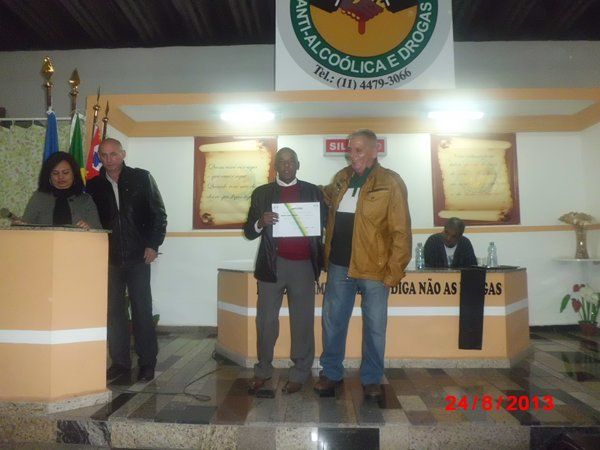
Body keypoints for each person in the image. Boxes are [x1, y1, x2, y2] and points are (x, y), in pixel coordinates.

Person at [315, 129, 411, 399]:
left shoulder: (390, 182)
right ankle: (331, 373)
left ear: (374, 150)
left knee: (375, 327)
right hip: (339, 265)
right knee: (333, 322)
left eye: (358, 150)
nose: (352, 155)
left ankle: (371, 378)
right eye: (350, 150)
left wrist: (394, 272)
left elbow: (401, 231)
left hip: (374, 268)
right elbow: (324, 196)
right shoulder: (341, 178)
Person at [243, 147, 325, 395]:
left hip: (304, 265)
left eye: (291, 162)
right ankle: (263, 370)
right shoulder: (262, 193)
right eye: (282, 161)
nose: (287, 166)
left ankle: (300, 371)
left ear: (298, 165)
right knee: (266, 320)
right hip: (272, 264)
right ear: (276, 166)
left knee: (302, 321)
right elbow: (249, 231)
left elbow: (325, 224)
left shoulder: (313, 191)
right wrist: (261, 221)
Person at [86, 138, 167, 382]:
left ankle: (147, 363)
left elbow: (159, 214)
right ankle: (120, 363)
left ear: (123, 154)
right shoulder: (93, 185)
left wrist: (153, 244)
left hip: (138, 256)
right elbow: (91, 219)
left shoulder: (141, 178)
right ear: (99, 157)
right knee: (114, 313)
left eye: (113, 154)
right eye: (104, 155)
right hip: (109, 258)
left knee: (142, 310)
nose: (108, 159)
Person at [17, 151, 100, 229]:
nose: (60, 177)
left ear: (74, 174)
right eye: (55, 173)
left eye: (65, 172)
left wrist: (88, 228)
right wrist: (19, 225)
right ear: (49, 176)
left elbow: (98, 231)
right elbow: (25, 227)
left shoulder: (85, 200)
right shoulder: (39, 198)